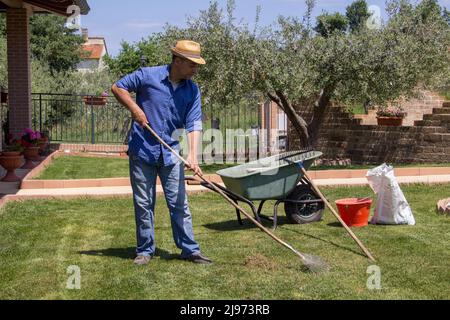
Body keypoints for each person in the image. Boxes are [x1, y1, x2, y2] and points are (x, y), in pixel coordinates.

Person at [111, 40, 212, 265]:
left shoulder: (192, 89)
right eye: (192, 64)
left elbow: (194, 123)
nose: (196, 69)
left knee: (179, 203)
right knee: (144, 202)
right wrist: (135, 108)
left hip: (171, 153)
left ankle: (190, 250)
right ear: (177, 60)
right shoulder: (148, 75)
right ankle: (145, 251)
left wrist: (193, 155)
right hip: (143, 150)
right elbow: (118, 87)